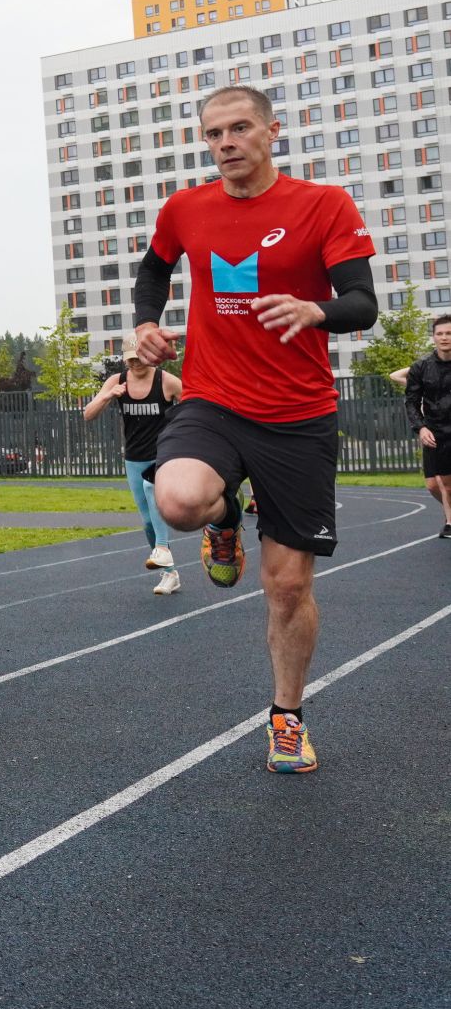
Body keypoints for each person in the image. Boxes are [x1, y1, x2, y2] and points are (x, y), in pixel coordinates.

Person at [134, 85, 377, 773]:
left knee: (286, 586)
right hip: (213, 399)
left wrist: (313, 310)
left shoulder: (322, 205)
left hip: (298, 416)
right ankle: (220, 516)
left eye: (239, 129)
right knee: (176, 500)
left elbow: (362, 304)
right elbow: (152, 269)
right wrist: (145, 323)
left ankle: (286, 716)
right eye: (213, 135)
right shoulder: (185, 208)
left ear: (271, 131)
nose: (225, 144)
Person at [82, 353, 184, 594]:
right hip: (134, 459)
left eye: (139, 358)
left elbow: (196, 404)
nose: (135, 364)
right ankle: (170, 573)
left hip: (163, 454)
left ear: (150, 357)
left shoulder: (166, 381)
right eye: (131, 360)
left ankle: (161, 548)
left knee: (152, 488)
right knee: (148, 521)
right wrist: (108, 395)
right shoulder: (117, 380)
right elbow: (88, 414)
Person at [402, 313, 451, 537]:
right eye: (440, 334)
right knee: (433, 486)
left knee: (448, 484)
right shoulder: (421, 367)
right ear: (433, 338)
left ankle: (449, 521)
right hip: (434, 431)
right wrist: (420, 428)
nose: (444, 337)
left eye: (449, 333)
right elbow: (411, 402)